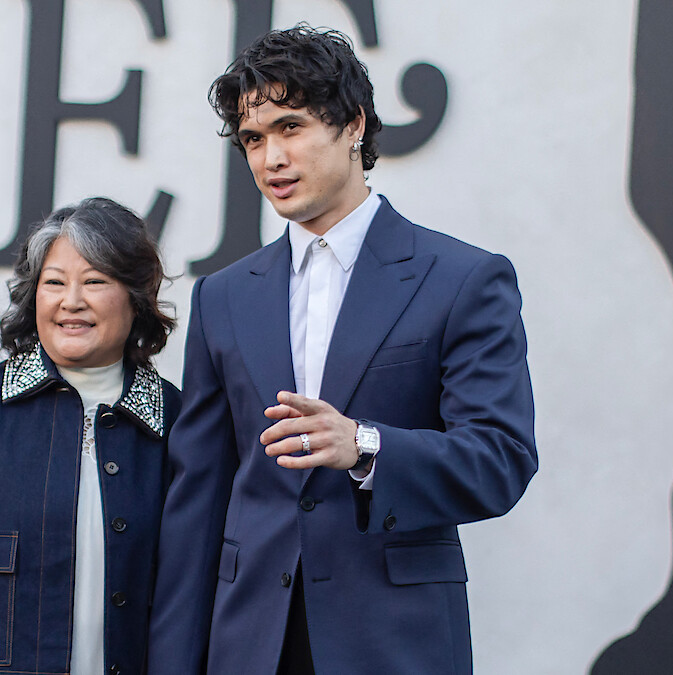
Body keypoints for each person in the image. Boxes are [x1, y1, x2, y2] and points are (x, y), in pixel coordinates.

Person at [148, 26, 538, 674]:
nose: (271, 157)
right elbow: (198, 500)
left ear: (354, 123)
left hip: (392, 643)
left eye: (291, 127)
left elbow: (500, 458)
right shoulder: (223, 297)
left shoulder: (462, 278)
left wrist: (365, 444)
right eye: (253, 138)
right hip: (249, 644)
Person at [0, 197, 180, 675]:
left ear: (137, 295)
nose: (72, 302)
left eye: (94, 281)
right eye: (54, 283)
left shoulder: (177, 420)